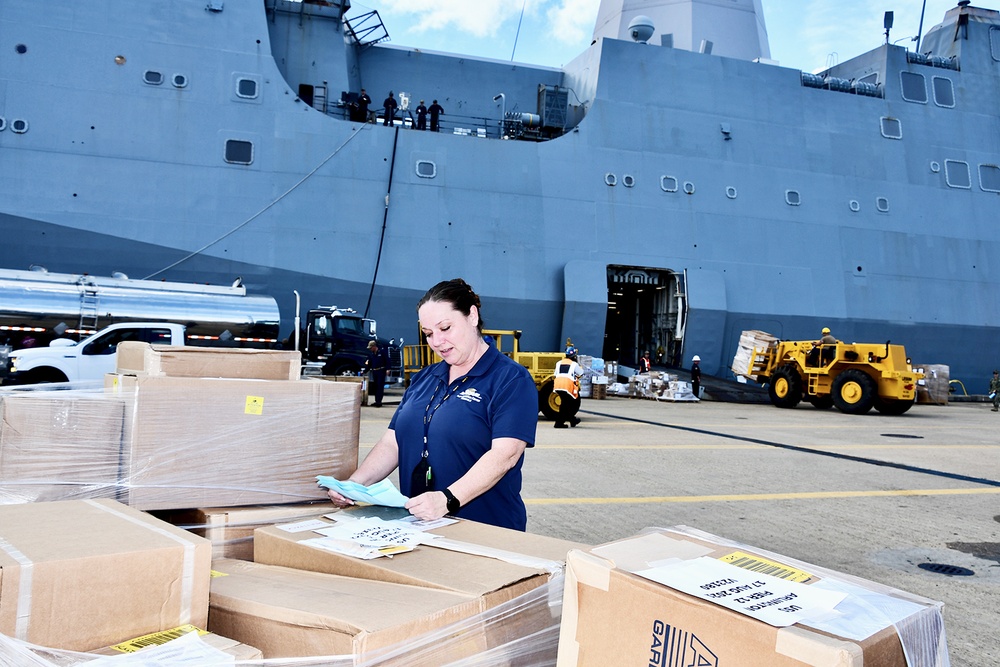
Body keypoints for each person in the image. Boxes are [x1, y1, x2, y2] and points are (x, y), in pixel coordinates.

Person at [326, 278, 538, 530]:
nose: (436, 341)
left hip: (486, 528)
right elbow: (393, 442)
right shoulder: (425, 378)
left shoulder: (510, 378)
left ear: (472, 316)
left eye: (445, 328)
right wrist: (355, 485)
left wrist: (447, 499)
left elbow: (505, 455)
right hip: (420, 526)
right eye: (428, 333)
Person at [553, 347, 584, 428]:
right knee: (568, 404)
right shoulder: (574, 364)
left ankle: (573, 420)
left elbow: (555, 374)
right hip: (567, 386)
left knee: (566, 404)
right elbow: (581, 373)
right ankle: (559, 423)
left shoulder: (558, 363)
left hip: (557, 384)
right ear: (574, 356)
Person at [364, 340, 389, 407]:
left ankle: (379, 401)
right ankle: (376, 401)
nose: (370, 349)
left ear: (374, 346)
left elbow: (387, 360)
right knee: (375, 386)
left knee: (380, 386)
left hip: (381, 371)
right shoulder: (372, 355)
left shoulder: (382, 352)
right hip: (375, 371)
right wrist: (364, 371)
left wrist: (388, 369)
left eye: (371, 348)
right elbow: (369, 364)